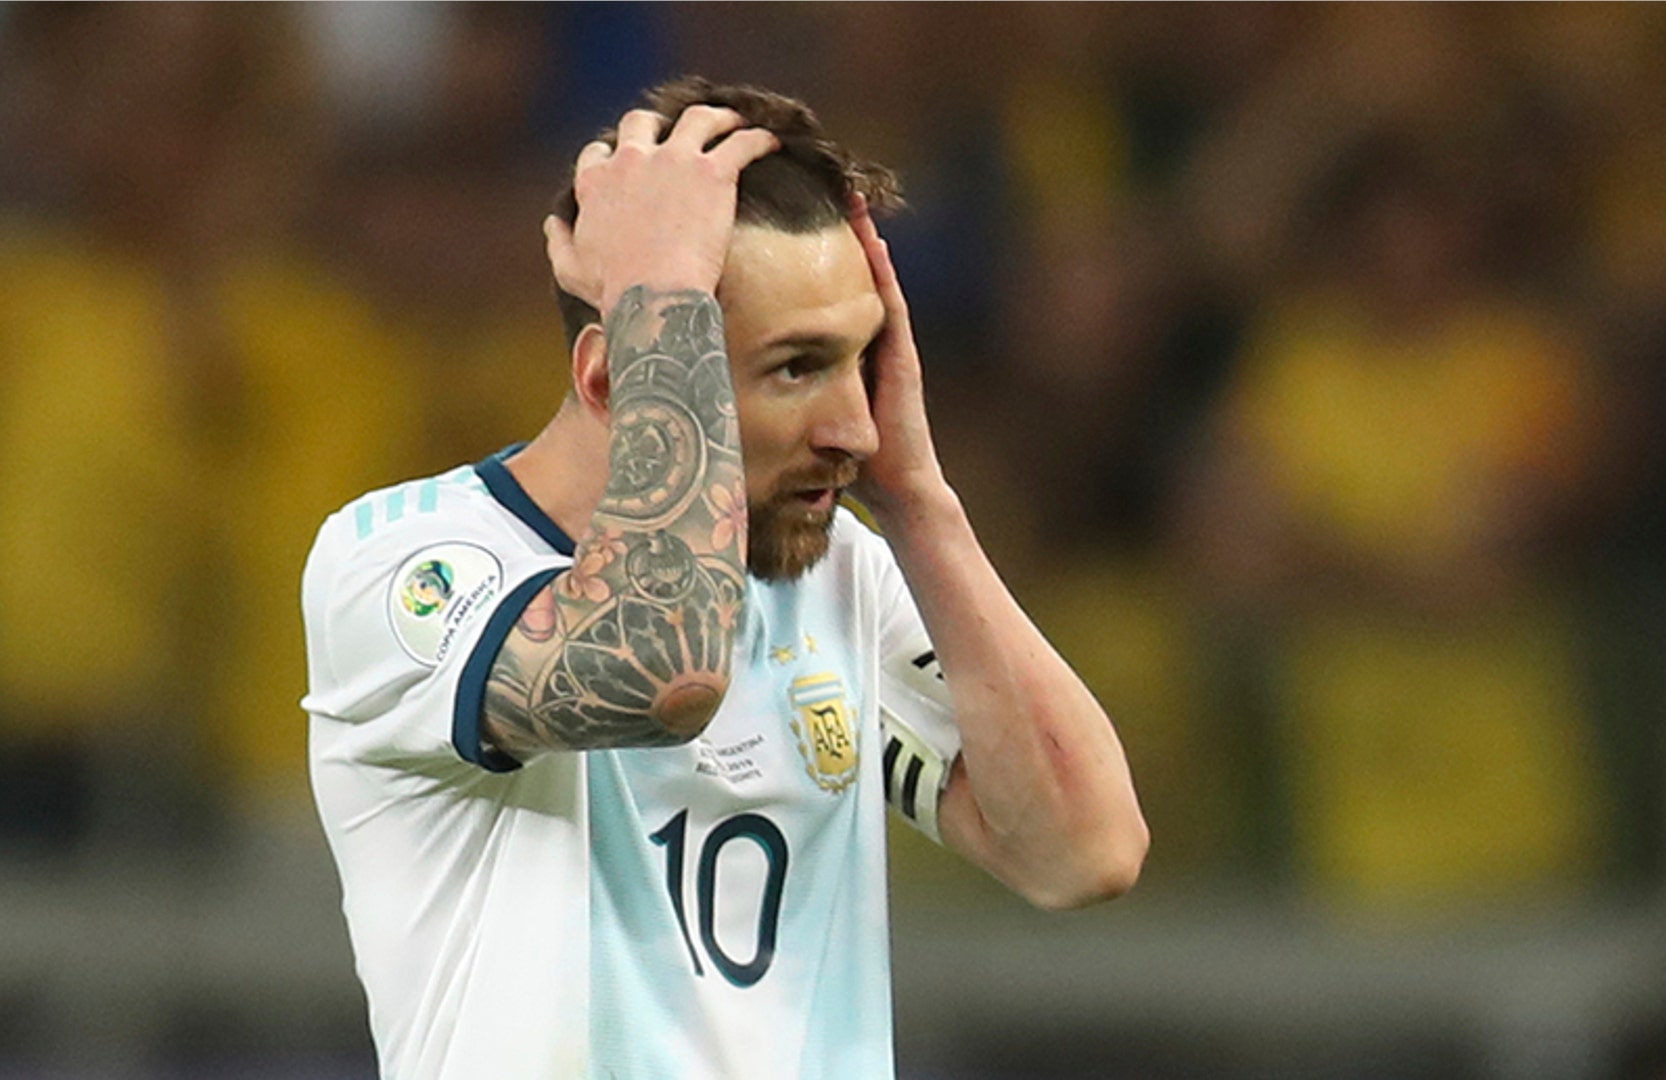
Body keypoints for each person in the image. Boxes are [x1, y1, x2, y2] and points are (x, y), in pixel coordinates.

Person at [301, 77, 1148, 1079]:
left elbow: (1084, 850)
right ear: (616, 376)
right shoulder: (406, 564)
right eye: (797, 367)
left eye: (859, 361)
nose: (856, 428)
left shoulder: (838, 572)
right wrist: (661, 291)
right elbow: (662, 672)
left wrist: (919, 501)